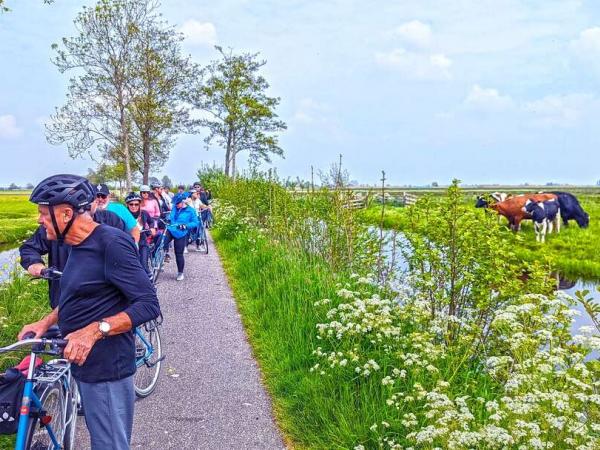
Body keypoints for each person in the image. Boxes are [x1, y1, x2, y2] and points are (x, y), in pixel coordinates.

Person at [18, 174, 160, 450]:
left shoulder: (111, 244)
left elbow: (148, 303)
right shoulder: (76, 246)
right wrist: (46, 322)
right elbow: (77, 295)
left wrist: (95, 331)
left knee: (109, 446)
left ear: (66, 214)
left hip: (107, 368)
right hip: (85, 363)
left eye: (44, 214)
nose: (39, 220)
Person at [19, 196, 128, 308]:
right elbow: (29, 247)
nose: (98, 200)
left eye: (101, 197)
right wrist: (34, 263)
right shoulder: (54, 225)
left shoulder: (111, 220)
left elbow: (127, 249)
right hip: (64, 299)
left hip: (105, 301)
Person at [163, 193, 198, 281]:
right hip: (171, 229)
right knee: (162, 242)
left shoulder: (191, 211)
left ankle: (180, 273)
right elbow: (171, 217)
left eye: (177, 203)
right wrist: (167, 220)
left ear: (183, 202)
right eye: (175, 204)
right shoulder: (175, 207)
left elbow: (195, 223)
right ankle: (163, 256)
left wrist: (185, 225)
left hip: (180, 233)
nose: (176, 205)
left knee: (178, 253)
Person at [125, 192, 156, 278]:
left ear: (139, 204)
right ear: (127, 205)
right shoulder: (124, 215)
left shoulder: (144, 213)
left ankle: (150, 282)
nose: (134, 206)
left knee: (143, 265)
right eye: (131, 204)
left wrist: (152, 228)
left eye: (136, 204)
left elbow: (151, 221)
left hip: (142, 242)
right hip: (128, 243)